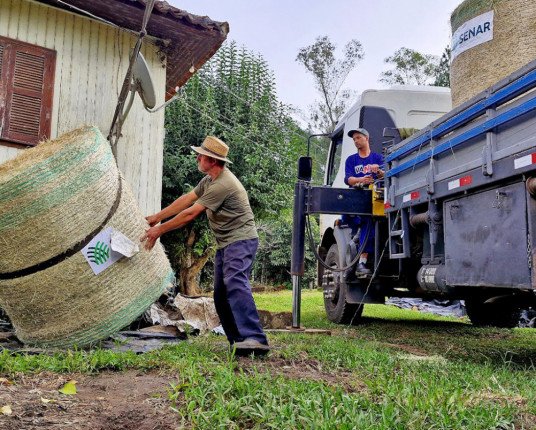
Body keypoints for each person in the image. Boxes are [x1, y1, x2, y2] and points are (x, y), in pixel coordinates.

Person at [141, 136, 269, 356]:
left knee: (235, 283)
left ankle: (255, 338)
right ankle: (239, 341)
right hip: (226, 243)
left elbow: (190, 213)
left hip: (241, 240)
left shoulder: (223, 184)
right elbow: (186, 200)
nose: (197, 158)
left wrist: (159, 231)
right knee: (221, 294)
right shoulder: (209, 180)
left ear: (212, 160)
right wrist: (156, 217)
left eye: (201, 155)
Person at [343, 128, 384, 274]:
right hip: (356, 201)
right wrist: (361, 179)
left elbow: (386, 174)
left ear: (366, 138)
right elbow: (348, 179)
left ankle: (362, 262)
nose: (355, 141)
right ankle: (356, 240)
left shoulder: (378, 158)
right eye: (354, 139)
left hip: (373, 202)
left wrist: (378, 171)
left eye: (358, 138)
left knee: (369, 228)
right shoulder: (351, 160)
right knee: (346, 218)